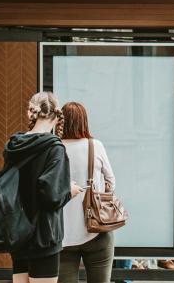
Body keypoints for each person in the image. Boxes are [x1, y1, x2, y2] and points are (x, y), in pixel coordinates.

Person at [8, 92, 82, 283]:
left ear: (30, 113)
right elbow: (50, 197)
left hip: (18, 233)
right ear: (56, 116)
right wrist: (69, 192)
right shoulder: (53, 148)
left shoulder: (14, 145)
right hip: (44, 235)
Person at [58, 102, 117, 283]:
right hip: (97, 228)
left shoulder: (55, 148)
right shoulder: (95, 146)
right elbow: (111, 183)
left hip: (63, 235)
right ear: (84, 121)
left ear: (61, 122)